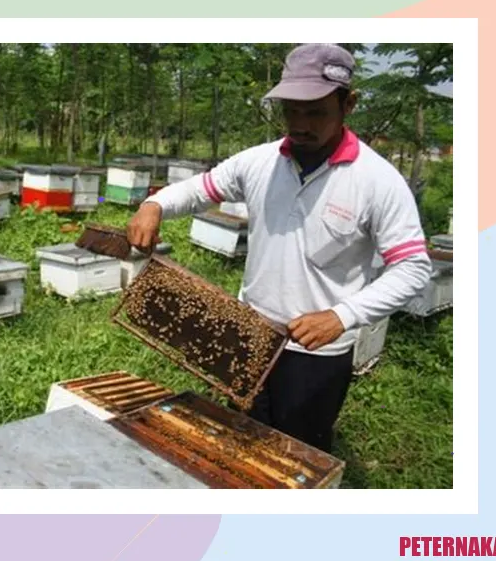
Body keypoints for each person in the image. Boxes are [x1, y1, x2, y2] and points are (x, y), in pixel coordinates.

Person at [126, 43, 433, 453]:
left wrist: (342, 316)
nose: (300, 124)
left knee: (295, 453)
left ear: (349, 104)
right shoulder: (259, 162)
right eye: (291, 111)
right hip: (247, 331)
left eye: (315, 111)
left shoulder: (378, 180)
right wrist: (155, 204)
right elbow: (201, 189)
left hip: (316, 351)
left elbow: (413, 267)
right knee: (239, 438)